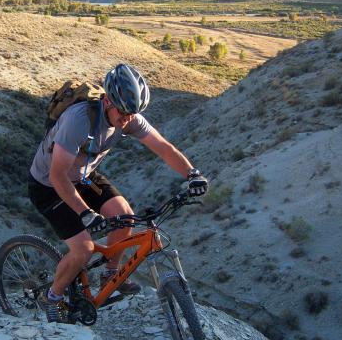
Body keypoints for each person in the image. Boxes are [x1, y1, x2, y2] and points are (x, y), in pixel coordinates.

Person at [28, 63, 208, 322]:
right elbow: (57, 176)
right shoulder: (78, 120)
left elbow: (163, 147)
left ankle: (110, 274)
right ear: (107, 101)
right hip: (48, 185)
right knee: (84, 249)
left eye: (133, 114)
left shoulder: (129, 116)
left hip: (83, 176)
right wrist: (86, 213)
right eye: (123, 113)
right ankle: (52, 298)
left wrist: (192, 174)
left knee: (124, 216)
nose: (128, 120)